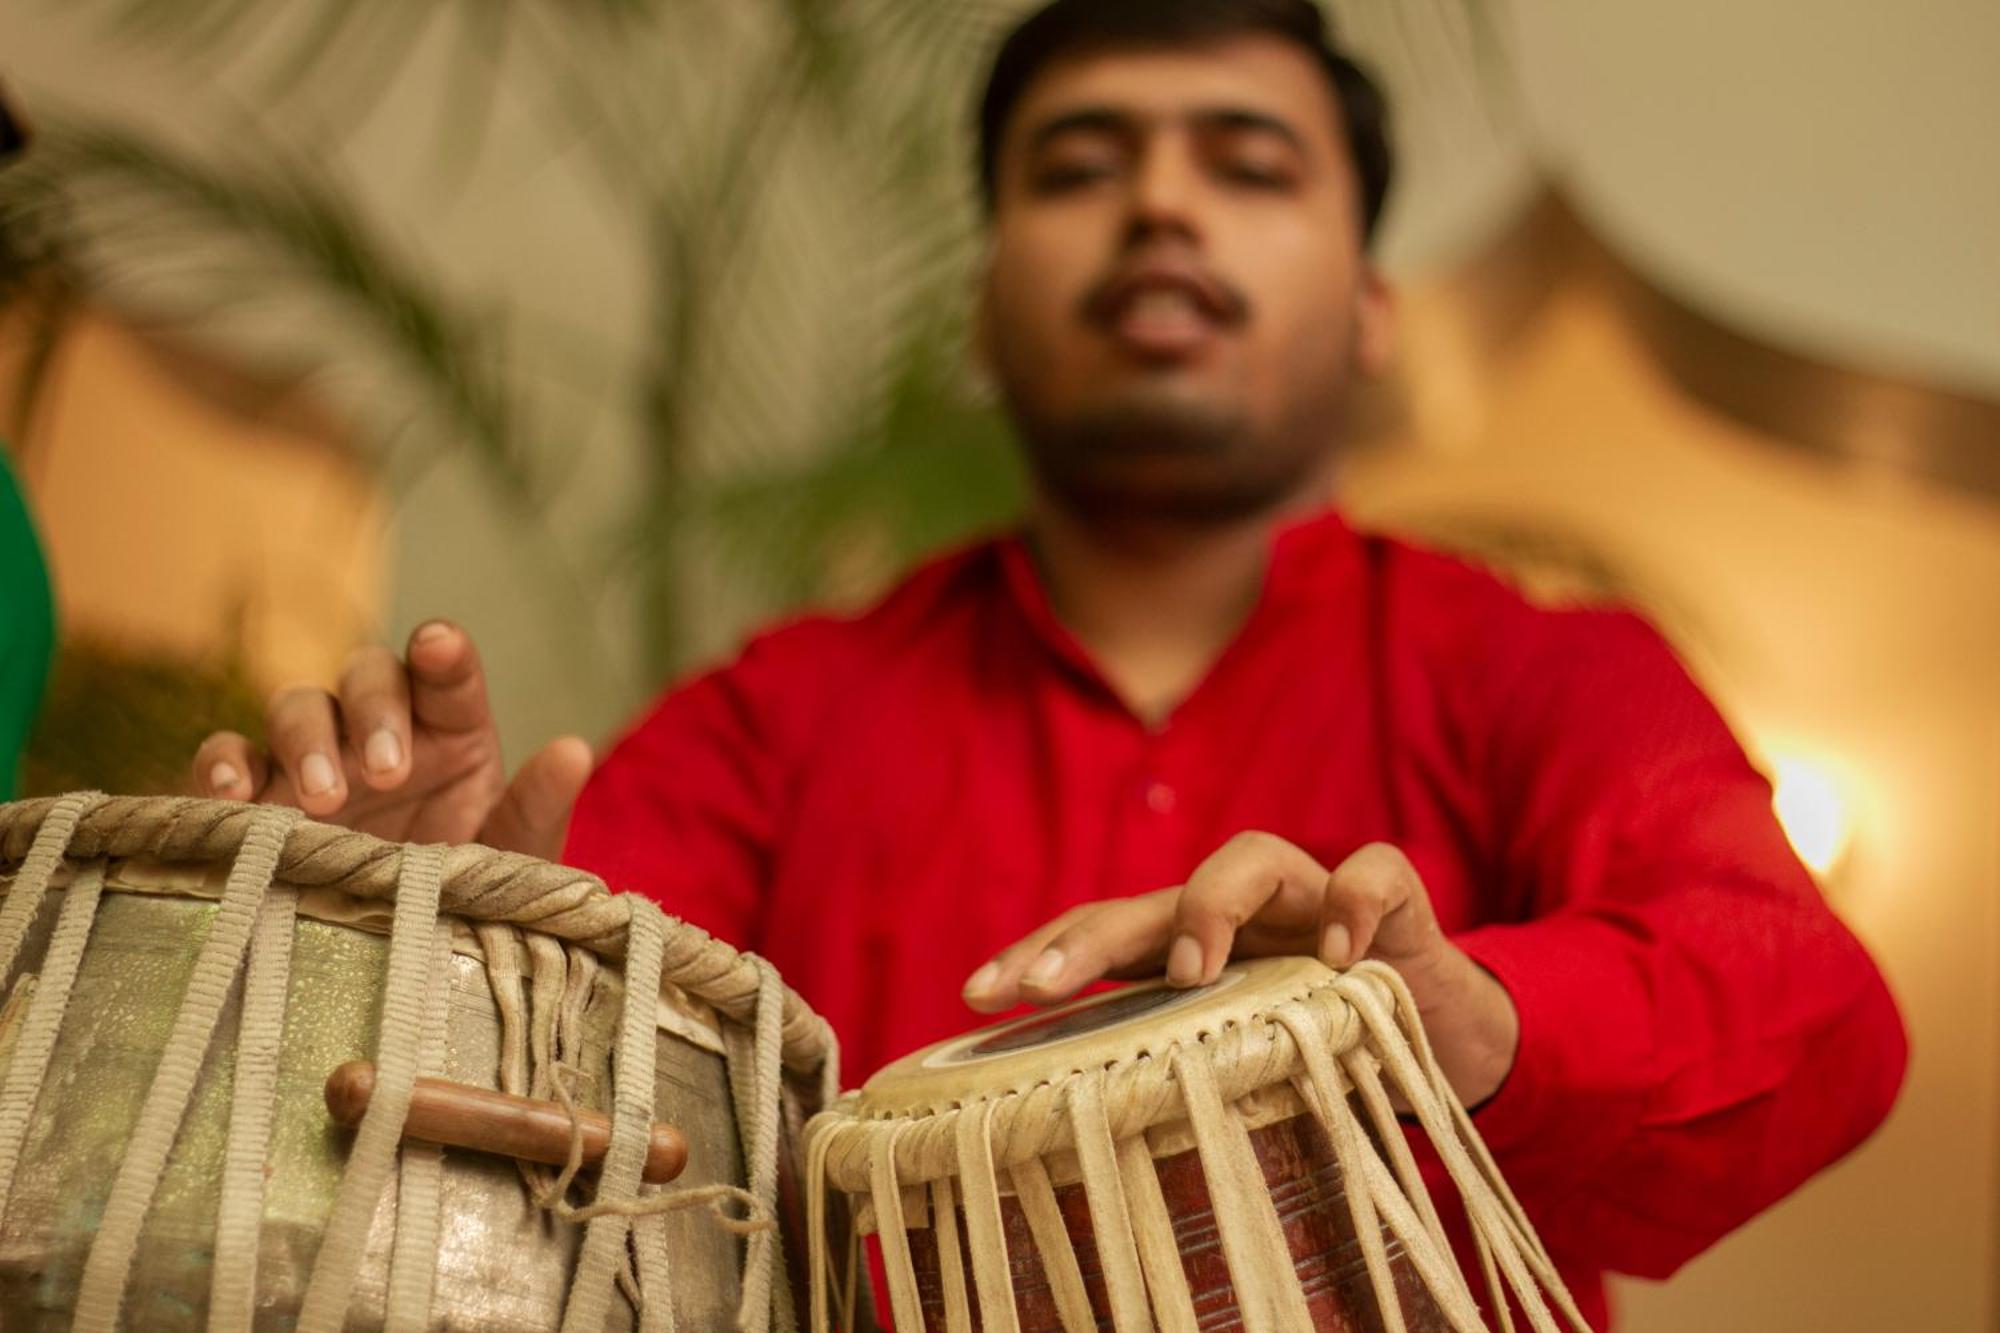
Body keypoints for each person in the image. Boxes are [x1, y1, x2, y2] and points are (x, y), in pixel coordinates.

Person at [193, 1, 1905, 1323]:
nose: (1162, 204)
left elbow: (1812, 1009)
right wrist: (420, 951)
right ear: (991, 307)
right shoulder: (777, 715)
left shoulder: (1546, 671)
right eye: (1083, 167)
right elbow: (583, 1101)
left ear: (1374, 308)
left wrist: (1457, 1019)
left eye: (1248, 165)